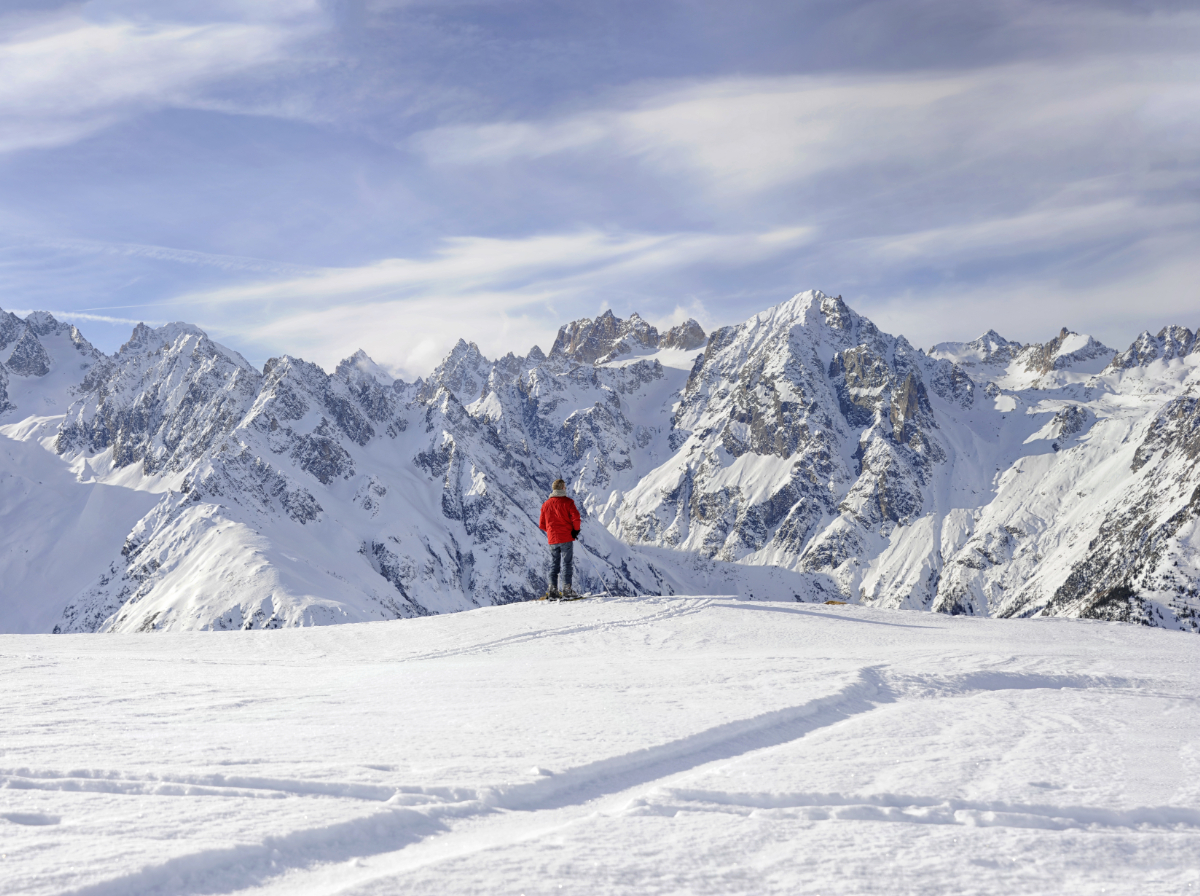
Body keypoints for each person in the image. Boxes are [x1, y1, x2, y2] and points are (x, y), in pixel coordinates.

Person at [538, 478, 581, 600]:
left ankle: (552, 590)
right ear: (562, 488)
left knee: (554, 564)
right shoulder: (568, 502)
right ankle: (567, 589)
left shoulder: (546, 504)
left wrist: (552, 532)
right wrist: (575, 530)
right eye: (565, 487)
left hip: (552, 539)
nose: (566, 489)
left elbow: (542, 524)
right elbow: (576, 517)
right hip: (566, 537)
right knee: (567, 563)